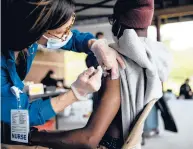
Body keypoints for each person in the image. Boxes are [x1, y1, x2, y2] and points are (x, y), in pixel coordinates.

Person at [28, 0, 171, 149]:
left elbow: (88, 139)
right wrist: (92, 43)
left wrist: (32, 136)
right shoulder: (154, 64)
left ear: (116, 22)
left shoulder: (115, 66)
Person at [1, 0, 126, 147]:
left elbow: (72, 39)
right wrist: (76, 93)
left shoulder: (31, 37)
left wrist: (93, 44)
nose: (66, 36)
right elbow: (22, 115)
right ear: (37, 28)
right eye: (61, 32)